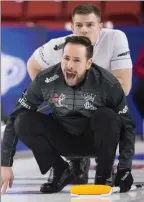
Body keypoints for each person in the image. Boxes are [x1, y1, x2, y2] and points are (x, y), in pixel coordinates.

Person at [1, 36, 135, 194]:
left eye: (77, 60)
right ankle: (60, 170)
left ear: (88, 63)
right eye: (66, 58)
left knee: (108, 117)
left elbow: (127, 126)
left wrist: (125, 168)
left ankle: (103, 177)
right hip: (62, 139)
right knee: (22, 121)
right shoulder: (45, 80)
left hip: (94, 141)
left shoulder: (107, 83)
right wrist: (5, 164)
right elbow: (15, 117)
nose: (69, 66)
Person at [27, 3, 133, 185]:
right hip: (70, 113)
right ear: (72, 26)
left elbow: (124, 85)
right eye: (79, 25)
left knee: (108, 115)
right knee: (46, 115)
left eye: (90, 25)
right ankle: (73, 162)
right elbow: (33, 64)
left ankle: (105, 165)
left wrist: (88, 99)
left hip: (100, 109)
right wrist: (52, 94)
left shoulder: (116, 38)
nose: (84, 30)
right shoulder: (60, 46)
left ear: (101, 26)